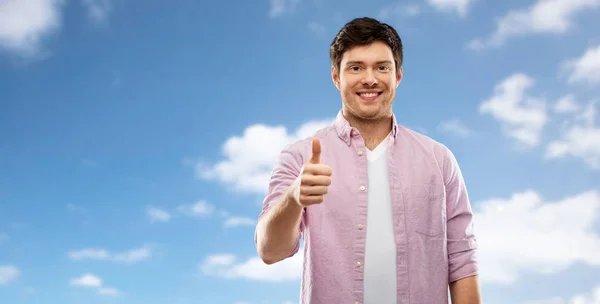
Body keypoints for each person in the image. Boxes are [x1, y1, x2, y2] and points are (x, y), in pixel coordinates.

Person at [254, 16, 481, 304]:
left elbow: (462, 258)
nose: (370, 79)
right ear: (336, 77)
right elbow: (269, 251)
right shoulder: (299, 157)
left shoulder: (439, 159)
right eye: (356, 67)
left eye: (382, 67)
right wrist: (294, 197)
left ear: (398, 75)